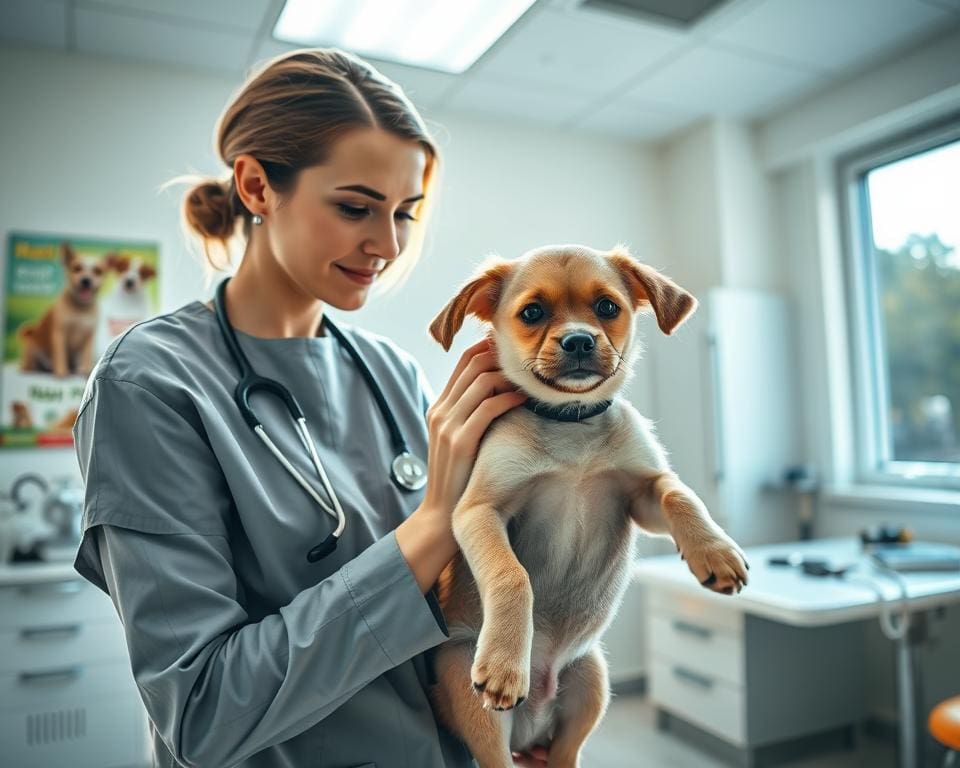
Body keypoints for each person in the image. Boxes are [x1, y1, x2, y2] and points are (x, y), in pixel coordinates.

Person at [71, 48, 550, 767]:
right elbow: (200, 712)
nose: (386, 245)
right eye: (355, 207)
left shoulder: (391, 371)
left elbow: (454, 615)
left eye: (404, 214)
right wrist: (428, 527)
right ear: (258, 187)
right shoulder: (149, 385)